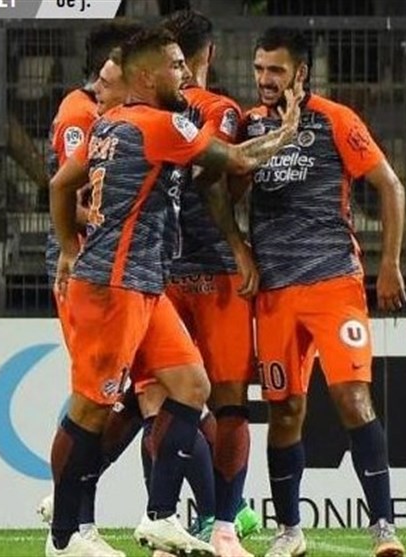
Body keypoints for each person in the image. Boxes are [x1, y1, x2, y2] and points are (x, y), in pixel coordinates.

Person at [47, 27, 302, 557]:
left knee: (191, 385)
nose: (184, 74)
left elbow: (61, 184)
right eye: (175, 66)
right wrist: (287, 130)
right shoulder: (160, 125)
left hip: (144, 284)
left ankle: (160, 517)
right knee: (92, 408)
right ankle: (65, 537)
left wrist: (69, 247)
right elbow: (237, 160)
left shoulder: (110, 123)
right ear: (147, 77)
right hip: (114, 286)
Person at [243, 27, 406, 557]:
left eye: (275, 70)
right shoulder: (249, 126)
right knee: (284, 410)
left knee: (352, 398)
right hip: (274, 292)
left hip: (334, 283)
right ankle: (289, 531)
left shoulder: (336, 120)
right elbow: (221, 189)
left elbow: (391, 186)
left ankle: (383, 527)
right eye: (259, 69)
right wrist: (239, 251)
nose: (265, 79)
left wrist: (390, 263)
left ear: (301, 72)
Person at [38, 20, 145, 557]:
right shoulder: (80, 115)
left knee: (139, 394)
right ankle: (73, 524)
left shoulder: (126, 117)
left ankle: (71, 509)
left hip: (125, 272)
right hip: (88, 269)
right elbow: (71, 194)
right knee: (97, 397)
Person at [162, 10, 261, 556]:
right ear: (211, 53)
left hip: (163, 272)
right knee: (227, 404)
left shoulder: (147, 110)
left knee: (164, 405)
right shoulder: (221, 110)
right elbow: (216, 174)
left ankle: (169, 523)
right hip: (213, 271)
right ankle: (223, 525)